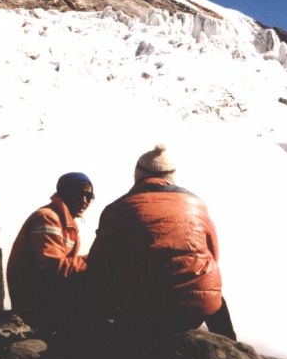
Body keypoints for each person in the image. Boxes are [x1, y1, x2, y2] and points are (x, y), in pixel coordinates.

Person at [88, 144, 235, 345]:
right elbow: (213, 254)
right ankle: (232, 346)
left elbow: (99, 264)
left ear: (137, 174)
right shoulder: (197, 204)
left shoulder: (118, 208)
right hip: (198, 310)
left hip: (145, 311)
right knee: (208, 284)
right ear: (171, 176)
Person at [6, 172, 94, 332]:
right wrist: (96, 260)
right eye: (80, 194)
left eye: (89, 196)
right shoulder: (48, 218)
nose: (84, 201)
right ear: (65, 193)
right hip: (34, 303)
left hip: (44, 296)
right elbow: (57, 267)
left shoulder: (65, 221)